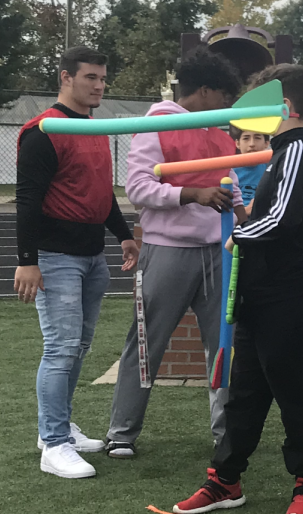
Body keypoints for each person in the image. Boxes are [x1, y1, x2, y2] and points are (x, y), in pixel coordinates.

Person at [174, 64, 303, 514]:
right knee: (244, 393)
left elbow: (280, 220)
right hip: (261, 296)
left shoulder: (298, 152)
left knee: (292, 393)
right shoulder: (278, 154)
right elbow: (272, 218)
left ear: (283, 107)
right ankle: (225, 480)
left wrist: (240, 234)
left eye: (261, 103)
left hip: (291, 297)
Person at [105, 48, 246, 458]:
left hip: (218, 252)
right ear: (203, 91)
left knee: (224, 344)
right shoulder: (157, 124)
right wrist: (192, 194)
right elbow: (138, 188)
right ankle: (122, 432)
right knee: (147, 341)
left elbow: (232, 184)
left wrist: (243, 219)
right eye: (223, 97)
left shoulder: (220, 132)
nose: (227, 107)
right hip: (167, 252)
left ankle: (227, 434)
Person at [15, 46, 139, 479]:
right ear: (66, 77)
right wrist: (27, 260)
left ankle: (59, 425)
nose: (100, 86)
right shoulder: (43, 131)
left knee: (79, 347)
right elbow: (28, 200)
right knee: (61, 349)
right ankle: (53, 442)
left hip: (91, 256)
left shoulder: (95, 128)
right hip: (55, 257)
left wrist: (123, 236)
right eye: (91, 78)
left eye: (103, 78)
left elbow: (100, 193)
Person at [233, 129, 270, 209]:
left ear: (266, 143)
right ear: (237, 143)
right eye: (246, 138)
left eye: (257, 138)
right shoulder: (228, 169)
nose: (252, 144)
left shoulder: (272, 168)